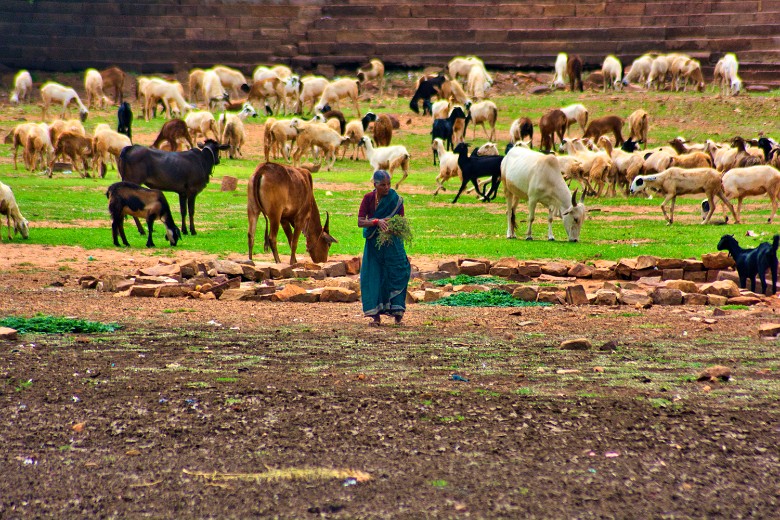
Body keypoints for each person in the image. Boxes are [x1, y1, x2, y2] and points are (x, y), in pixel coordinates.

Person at [358, 170, 411, 326]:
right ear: (375, 185)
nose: (387, 187)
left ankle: (398, 314)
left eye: (389, 184)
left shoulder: (396, 200)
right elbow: (360, 221)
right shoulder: (368, 199)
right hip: (374, 245)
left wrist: (391, 225)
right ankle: (375, 316)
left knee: (398, 272)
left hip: (392, 244)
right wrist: (376, 222)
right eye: (383, 185)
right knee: (373, 276)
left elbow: (400, 222)